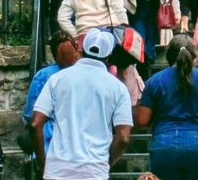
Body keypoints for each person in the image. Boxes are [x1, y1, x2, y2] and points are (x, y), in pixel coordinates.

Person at [31, 29, 133, 180]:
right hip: (94, 171)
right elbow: (124, 137)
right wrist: (106, 162)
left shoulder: (57, 80)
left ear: (81, 49)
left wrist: (43, 163)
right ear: (109, 56)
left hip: (58, 170)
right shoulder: (118, 88)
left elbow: (35, 124)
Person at [134, 35, 198, 180]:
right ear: (194, 56)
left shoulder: (154, 82)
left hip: (165, 147)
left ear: (169, 56)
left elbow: (143, 121)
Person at [22, 32, 80, 157]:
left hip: (47, 146)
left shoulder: (43, 76)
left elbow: (30, 114)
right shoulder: (83, 75)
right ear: (75, 49)